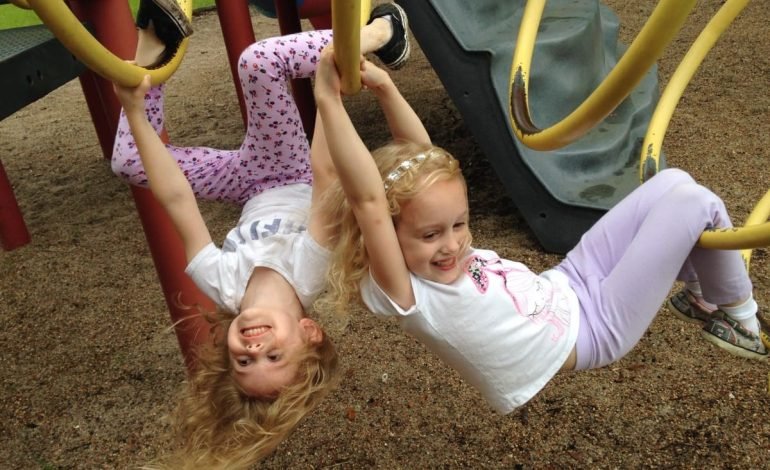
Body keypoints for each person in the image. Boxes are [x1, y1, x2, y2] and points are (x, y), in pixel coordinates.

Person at [313, 37, 768, 416]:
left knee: (674, 182)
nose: (451, 244)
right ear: (386, 237)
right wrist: (327, 101)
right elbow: (368, 200)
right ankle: (743, 320)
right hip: (593, 329)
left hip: (567, 282)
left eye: (458, 224)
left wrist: (387, 89)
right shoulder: (404, 291)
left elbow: (425, 156)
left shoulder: (427, 244)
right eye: (430, 235)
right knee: (695, 204)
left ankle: (701, 294)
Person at [111, 0, 410, 465]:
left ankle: (153, 46)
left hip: (247, 182)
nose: (254, 349)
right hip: (292, 172)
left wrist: (133, 113)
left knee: (129, 161)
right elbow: (327, 175)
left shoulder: (220, 283)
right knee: (258, 62)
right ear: (309, 332)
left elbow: (177, 201)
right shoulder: (310, 271)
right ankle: (383, 34)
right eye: (274, 357)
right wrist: (329, 92)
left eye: (244, 361)